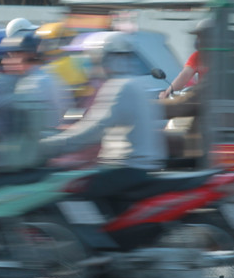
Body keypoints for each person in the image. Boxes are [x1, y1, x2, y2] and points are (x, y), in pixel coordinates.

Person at [39, 32, 166, 187]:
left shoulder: (118, 87)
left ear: (101, 57)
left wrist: (49, 146)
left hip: (124, 168)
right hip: (137, 166)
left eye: (89, 59)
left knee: (74, 192)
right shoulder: (137, 84)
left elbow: (94, 129)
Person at [159, 18, 211, 99]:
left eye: (201, 37)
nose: (197, 40)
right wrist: (168, 93)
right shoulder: (197, 56)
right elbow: (185, 75)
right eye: (197, 37)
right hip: (205, 100)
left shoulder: (225, 57)